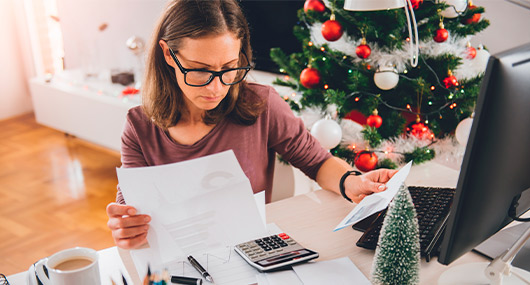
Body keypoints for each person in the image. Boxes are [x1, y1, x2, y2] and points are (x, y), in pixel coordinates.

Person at [106, 0, 397, 250]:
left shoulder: (262, 105)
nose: (217, 88)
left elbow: (318, 162)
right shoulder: (139, 127)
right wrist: (126, 228)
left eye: (229, 68)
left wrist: (353, 182)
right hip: (179, 260)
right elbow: (132, 211)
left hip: (251, 254)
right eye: (200, 70)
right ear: (169, 55)